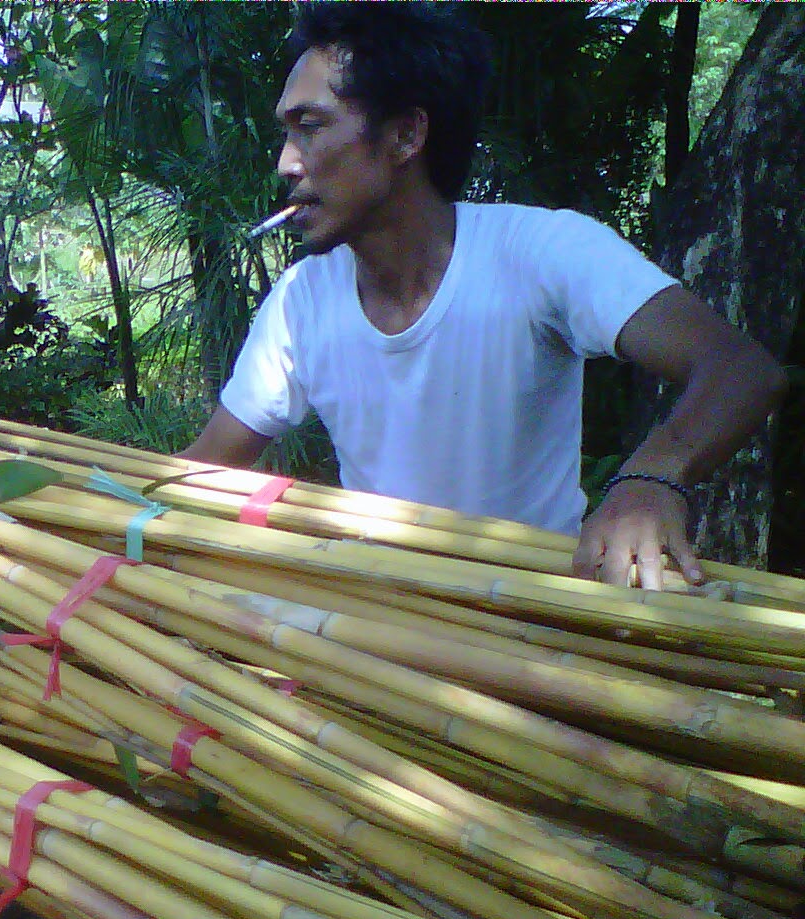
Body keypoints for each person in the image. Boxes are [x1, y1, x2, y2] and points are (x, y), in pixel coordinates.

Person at [183, 2, 788, 590]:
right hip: (378, 636)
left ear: (404, 134)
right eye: (286, 132)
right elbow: (205, 471)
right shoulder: (301, 302)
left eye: (310, 127)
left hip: (532, 631)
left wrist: (652, 481)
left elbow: (738, 369)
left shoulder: (542, 251)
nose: (286, 162)